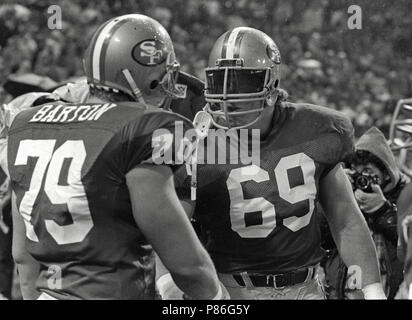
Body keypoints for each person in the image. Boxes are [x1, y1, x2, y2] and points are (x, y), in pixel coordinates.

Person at [8, 14, 225, 300]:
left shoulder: (27, 122)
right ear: (144, 76)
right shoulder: (144, 127)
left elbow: (22, 255)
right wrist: (219, 301)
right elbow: (187, 266)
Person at [159, 27, 385, 300]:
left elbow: (346, 219)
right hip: (229, 291)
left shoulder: (315, 128)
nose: (230, 96)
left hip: (306, 288)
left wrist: (372, 290)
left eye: (241, 83)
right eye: (222, 82)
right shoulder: (196, 140)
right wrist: (167, 281)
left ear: (271, 84)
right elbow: (170, 226)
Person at [322, 127, 407, 299]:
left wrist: (383, 211)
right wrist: (337, 190)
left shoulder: (405, 196)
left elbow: (407, 242)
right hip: (341, 292)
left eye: (368, 171)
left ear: (386, 173)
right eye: (356, 170)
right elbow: (320, 239)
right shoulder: (342, 197)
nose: (362, 177)